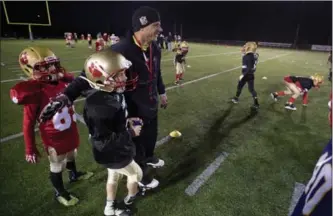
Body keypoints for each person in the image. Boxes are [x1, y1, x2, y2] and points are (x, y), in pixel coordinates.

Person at [40, 6, 167, 190]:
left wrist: (161, 92)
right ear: (143, 26)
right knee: (137, 143)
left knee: (150, 137)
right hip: (133, 109)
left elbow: (157, 73)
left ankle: (149, 157)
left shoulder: (155, 47)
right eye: (156, 25)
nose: (160, 29)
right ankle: (141, 175)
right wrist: (66, 96)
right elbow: (89, 74)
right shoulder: (120, 49)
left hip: (151, 104)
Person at [9, 47, 93, 207]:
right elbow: (28, 124)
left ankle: (74, 174)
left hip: (69, 129)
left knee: (72, 153)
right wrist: (29, 148)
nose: (53, 69)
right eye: (46, 67)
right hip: (53, 137)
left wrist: (60, 75)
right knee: (57, 164)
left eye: (54, 64)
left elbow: (72, 78)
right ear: (31, 69)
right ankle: (59, 192)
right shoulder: (35, 91)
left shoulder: (61, 81)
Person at [81, 49, 143, 216]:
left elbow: (114, 121)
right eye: (119, 75)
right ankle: (129, 199)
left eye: (123, 73)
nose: (125, 78)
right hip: (111, 151)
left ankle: (109, 208)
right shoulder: (99, 107)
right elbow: (104, 140)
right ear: (101, 78)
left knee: (114, 177)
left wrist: (126, 121)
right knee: (136, 174)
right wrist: (130, 132)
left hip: (114, 148)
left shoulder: (111, 93)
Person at [231, 42, 260, 109]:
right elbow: (247, 54)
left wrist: (243, 75)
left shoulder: (247, 56)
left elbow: (249, 67)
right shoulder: (254, 55)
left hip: (246, 74)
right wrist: (245, 49)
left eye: (246, 46)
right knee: (251, 90)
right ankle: (256, 103)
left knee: (239, 87)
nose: (244, 47)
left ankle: (236, 98)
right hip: (251, 75)